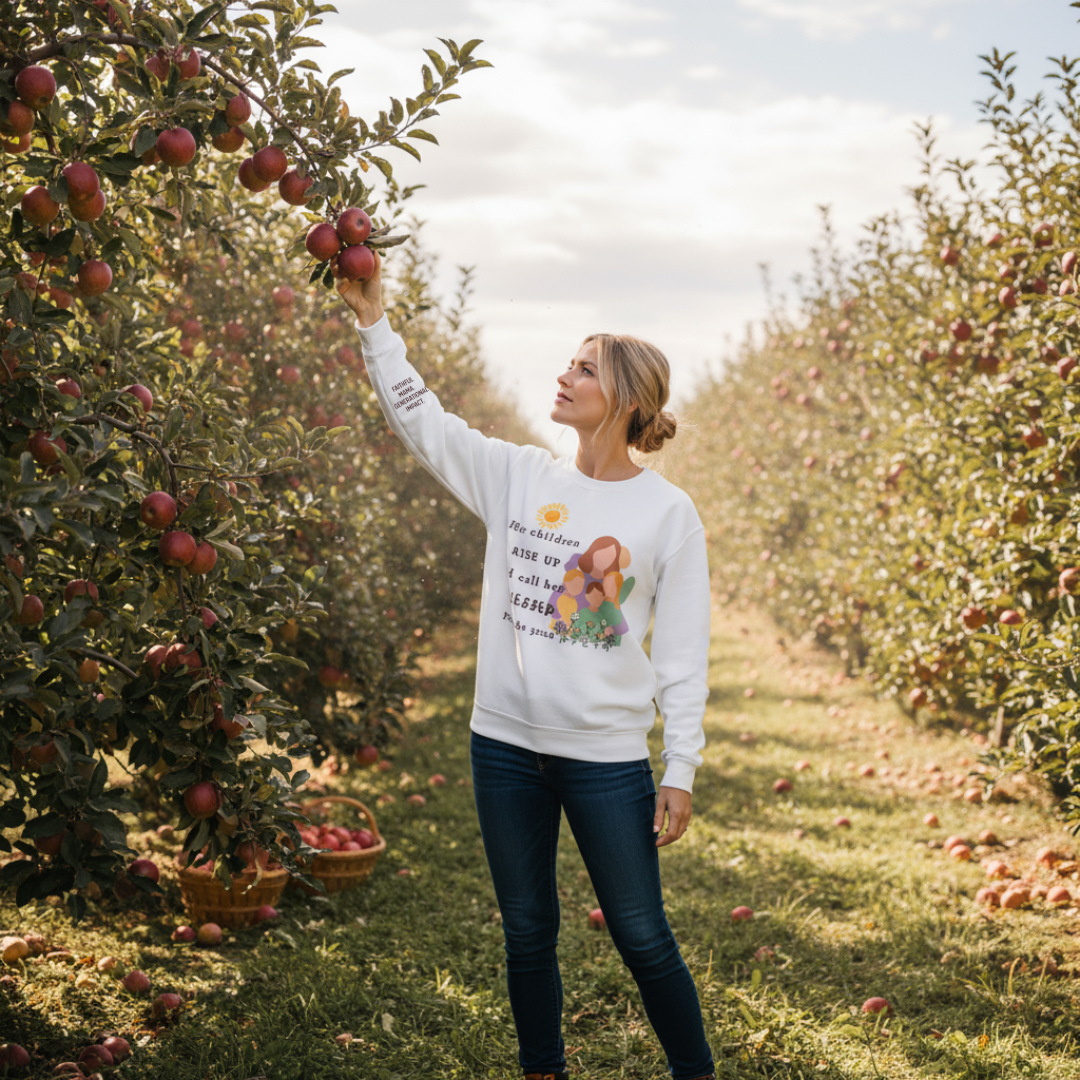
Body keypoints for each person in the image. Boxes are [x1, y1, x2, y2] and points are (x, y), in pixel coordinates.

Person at [337, 251, 715, 1080]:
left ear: (626, 399)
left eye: (585, 368)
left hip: (606, 760)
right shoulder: (517, 476)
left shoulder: (667, 513)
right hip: (503, 747)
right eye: (569, 361)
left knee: (642, 934)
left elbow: (684, 654)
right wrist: (374, 323)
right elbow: (422, 419)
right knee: (526, 927)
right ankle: (543, 1068)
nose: (565, 374)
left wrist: (678, 767)